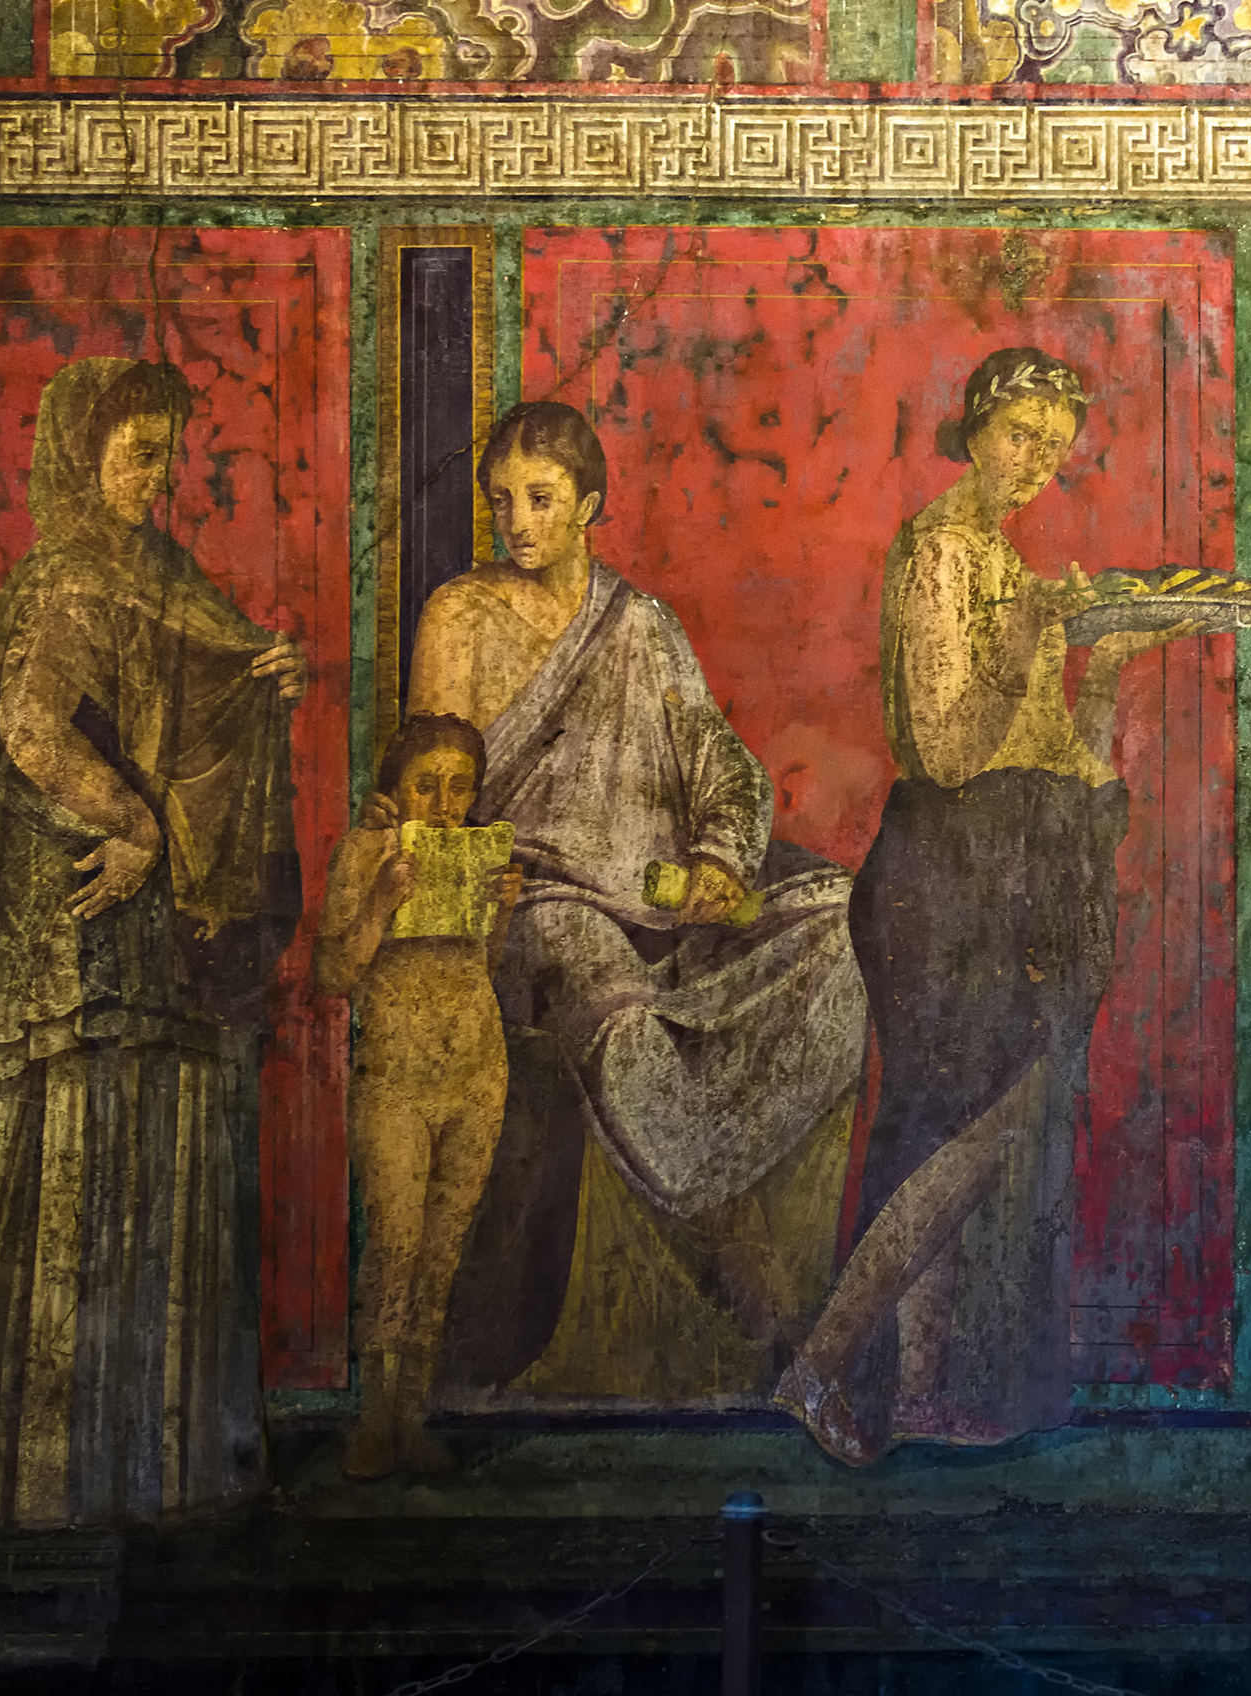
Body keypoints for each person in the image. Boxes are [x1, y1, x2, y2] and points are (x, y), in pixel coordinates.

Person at [0, 357, 307, 1529]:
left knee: (164, 1160)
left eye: (167, 454)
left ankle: (162, 1471)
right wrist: (132, 827)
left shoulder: (165, 574)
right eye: (138, 453)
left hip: (165, 938)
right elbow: (28, 730)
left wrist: (270, 672)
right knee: (81, 1161)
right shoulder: (66, 578)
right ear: (82, 455)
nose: (158, 477)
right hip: (72, 929)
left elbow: (212, 690)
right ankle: (53, 1476)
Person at [772, 347, 1202, 1466]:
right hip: (940, 880)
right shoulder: (942, 552)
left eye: (1053, 448)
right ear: (973, 430)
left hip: (997, 877)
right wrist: (1028, 640)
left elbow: (1070, 766)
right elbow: (952, 750)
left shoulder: (1006, 564)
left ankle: (912, 1392)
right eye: (1020, 436)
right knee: (967, 1127)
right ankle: (823, 1363)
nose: (1034, 462)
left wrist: (1106, 660)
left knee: (953, 1125)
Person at [404, 401, 866, 1400]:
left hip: (660, 892)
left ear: (588, 506)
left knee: (838, 920)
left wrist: (719, 859)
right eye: (500, 501)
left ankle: (748, 1242)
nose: (516, 521)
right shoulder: (459, 615)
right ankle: (749, 1273)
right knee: (623, 1023)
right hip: (537, 896)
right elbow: (428, 782)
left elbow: (714, 757)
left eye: (540, 499)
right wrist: (467, 885)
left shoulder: (641, 623)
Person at [316, 713, 521, 1477]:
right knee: (395, 1246)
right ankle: (374, 1422)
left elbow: (484, 965)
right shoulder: (365, 852)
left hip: (476, 1067)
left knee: (441, 1254)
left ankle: (413, 1417)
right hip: (397, 1076)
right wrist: (378, 902)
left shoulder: (476, 854)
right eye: (425, 786)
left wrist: (502, 912)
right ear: (396, 789)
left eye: (459, 787)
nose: (443, 804)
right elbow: (332, 973)